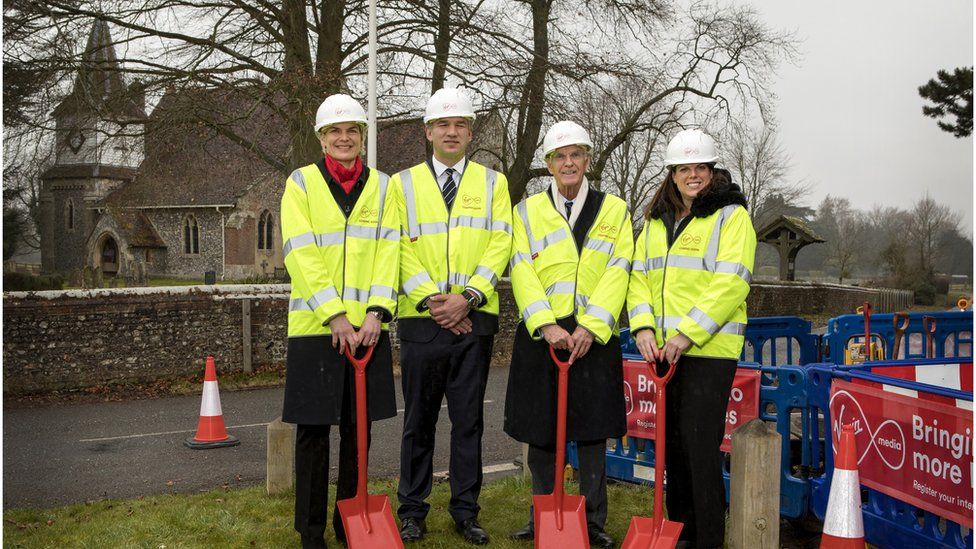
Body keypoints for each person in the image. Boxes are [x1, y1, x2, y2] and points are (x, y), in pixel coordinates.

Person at [391, 87, 513, 545]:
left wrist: (468, 296)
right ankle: (413, 510)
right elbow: (397, 245)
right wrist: (431, 300)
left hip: (474, 319)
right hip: (422, 320)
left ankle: (466, 511)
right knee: (417, 421)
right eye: (443, 124)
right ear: (428, 131)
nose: (451, 131)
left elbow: (501, 241)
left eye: (460, 124)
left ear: (470, 131)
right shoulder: (400, 184)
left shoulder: (493, 183)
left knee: (468, 422)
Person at [504, 121, 633, 549]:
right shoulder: (524, 211)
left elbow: (619, 269)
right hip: (545, 335)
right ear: (548, 165)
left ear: (588, 160)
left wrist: (592, 327)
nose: (569, 163)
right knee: (542, 430)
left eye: (576, 154)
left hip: (592, 337)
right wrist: (546, 324)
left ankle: (593, 521)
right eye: (560, 156)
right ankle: (543, 514)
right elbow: (521, 267)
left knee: (593, 430)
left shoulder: (615, 209)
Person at [280, 94, 400, 549]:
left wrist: (375, 313)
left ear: (362, 137)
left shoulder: (384, 187)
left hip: (369, 332)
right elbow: (300, 250)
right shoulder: (301, 184)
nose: (344, 137)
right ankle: (311, 533)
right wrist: (333, 314)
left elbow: (391, 251)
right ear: (321, 138)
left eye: (352, 130)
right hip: (316, 329)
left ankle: (348, 523)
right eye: (335, 131)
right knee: (313, 434)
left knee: (358, 434)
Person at [626, 128, 756, 549]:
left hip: (707, 352)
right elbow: (639, 278)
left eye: (701, 167)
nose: (693, 175)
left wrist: (686, 336)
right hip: (663, 353)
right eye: (685, 168)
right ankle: (679, 533)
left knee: (700, 450)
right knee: (674, 450)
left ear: (712, 171)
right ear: (672, 173)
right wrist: (643, 327)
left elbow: (731, 282)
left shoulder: (731, 216)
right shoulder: (656, 221)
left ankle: (707, 539)